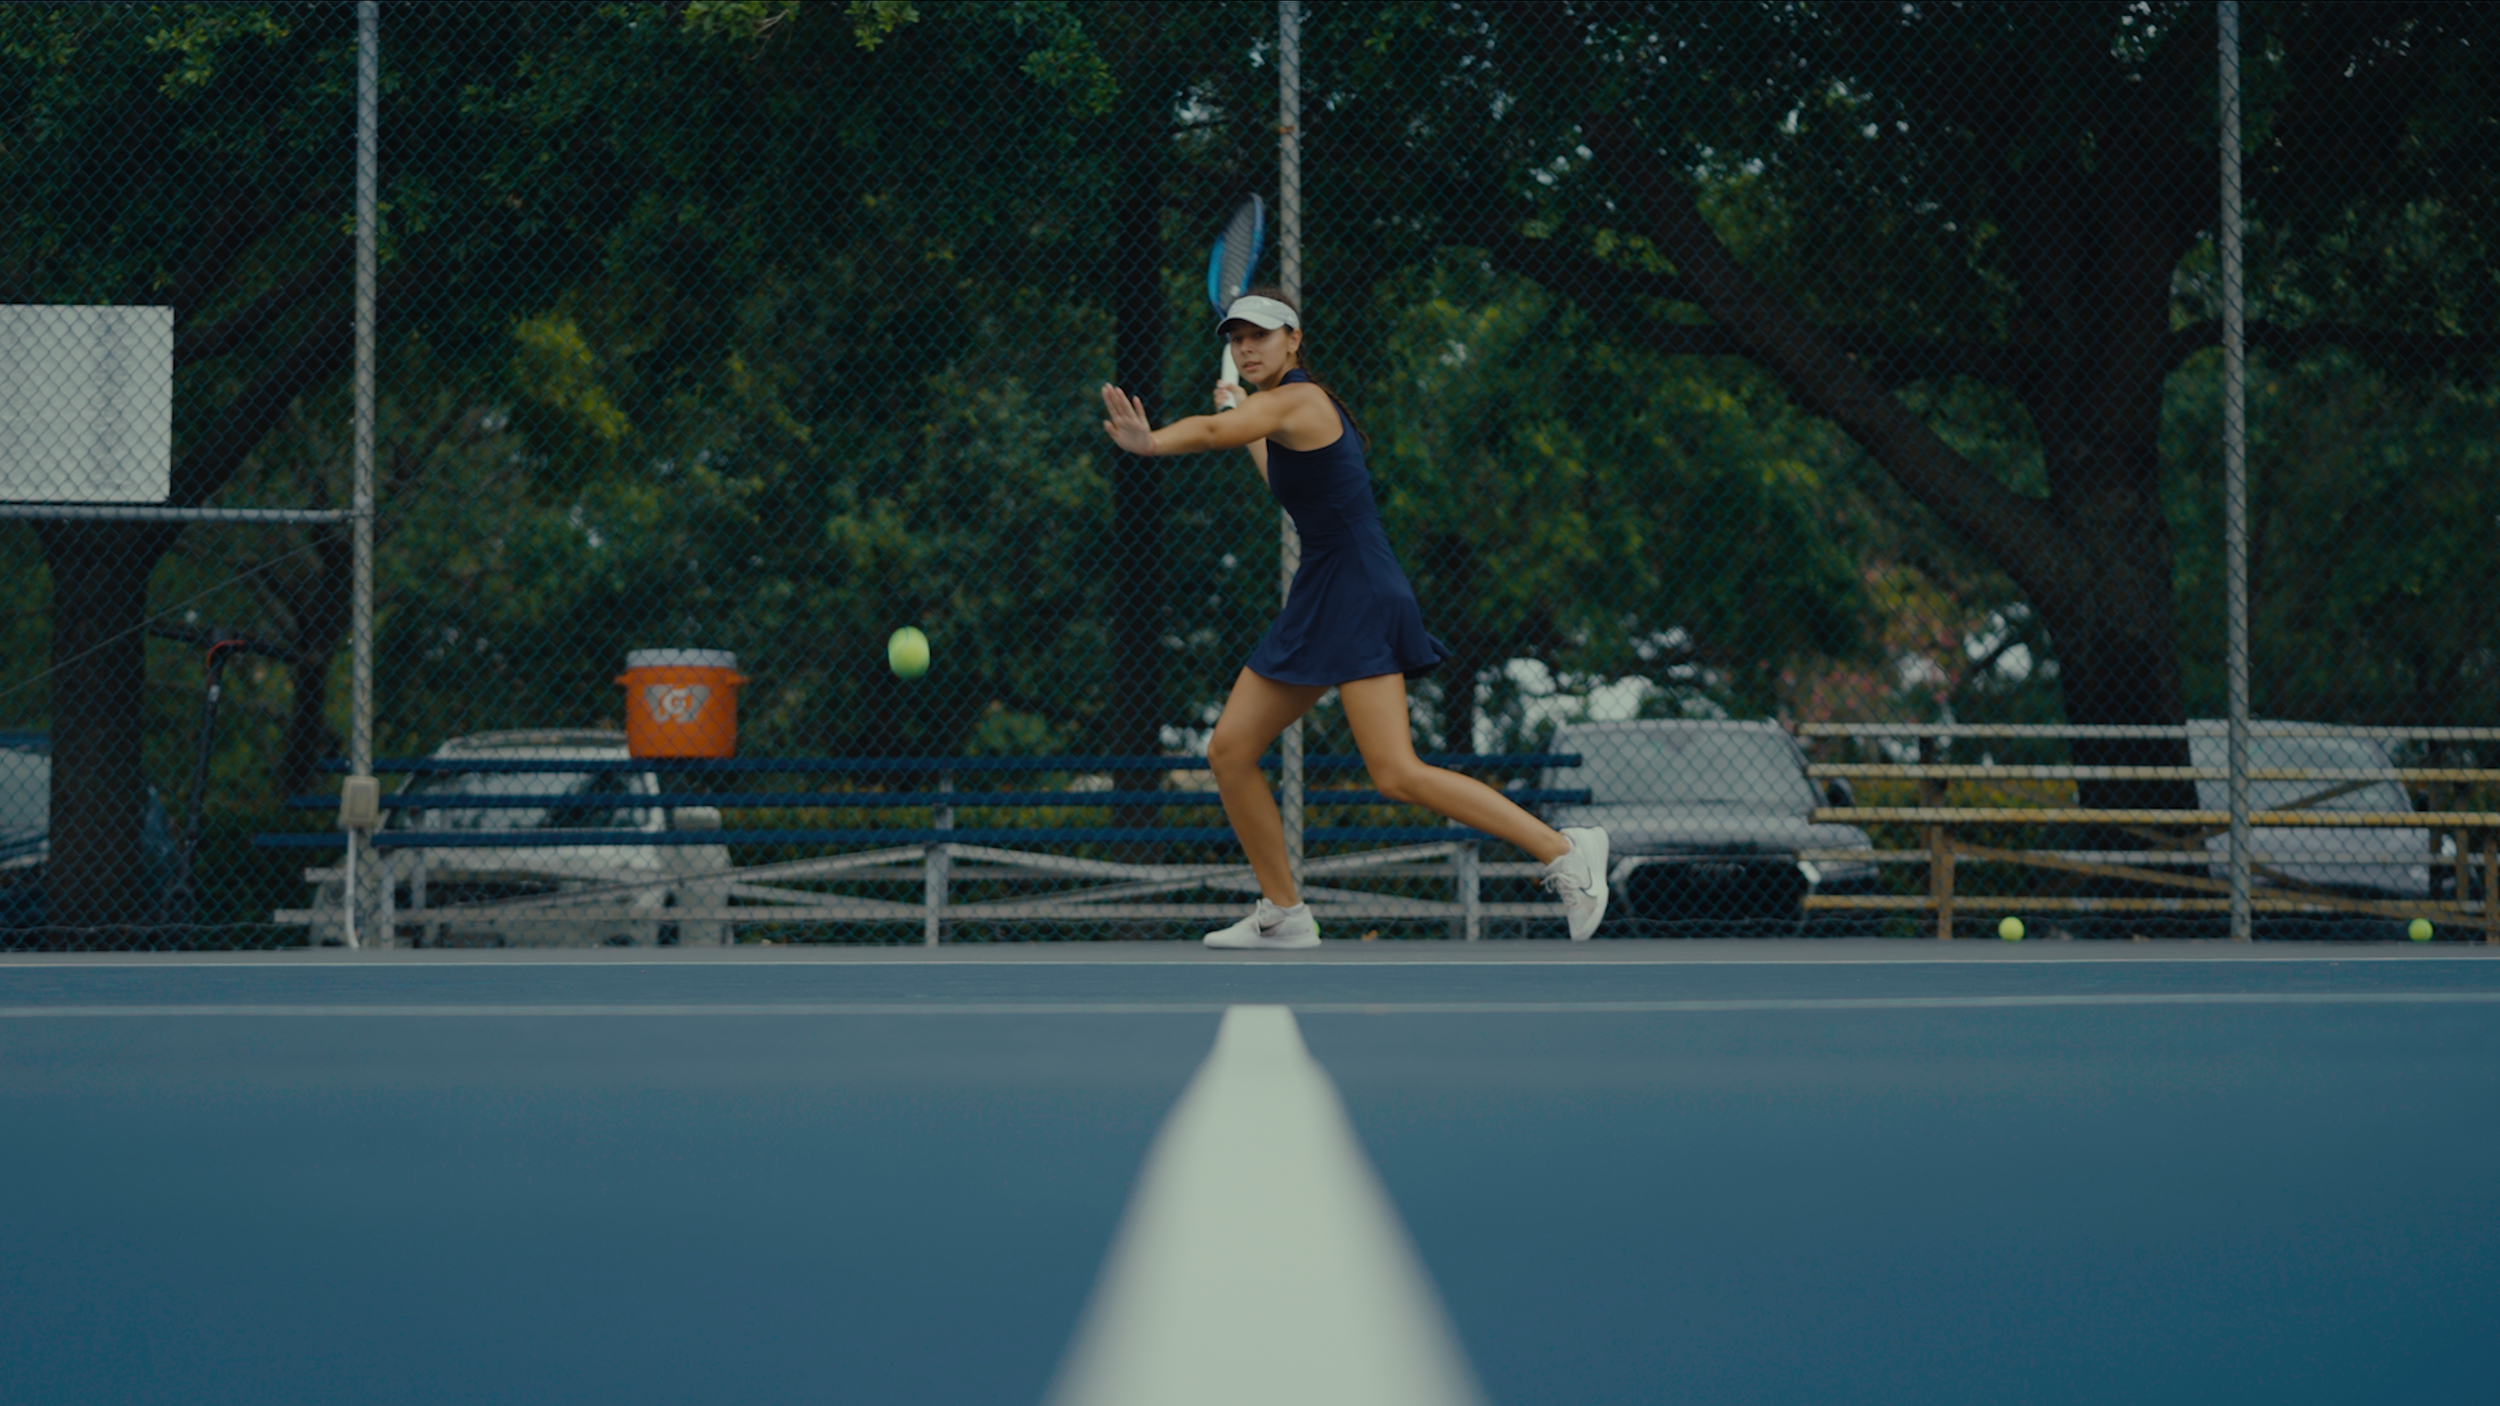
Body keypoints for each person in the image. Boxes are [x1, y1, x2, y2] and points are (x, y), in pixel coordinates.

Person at [1098, 290, 1609, 949]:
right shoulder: (1277, 414)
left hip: (1358, 589)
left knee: (1394, 771)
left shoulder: (1301, 400)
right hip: (1326, 588)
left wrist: (1154, 441)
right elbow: (1263, 457)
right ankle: (1284, 912)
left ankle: (1565, 850)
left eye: (1262, 335)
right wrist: (1239, 413)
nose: (1247, 347)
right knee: (1229, 752)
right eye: (1237, 338)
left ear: (1294, 341)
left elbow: (1217, 433)